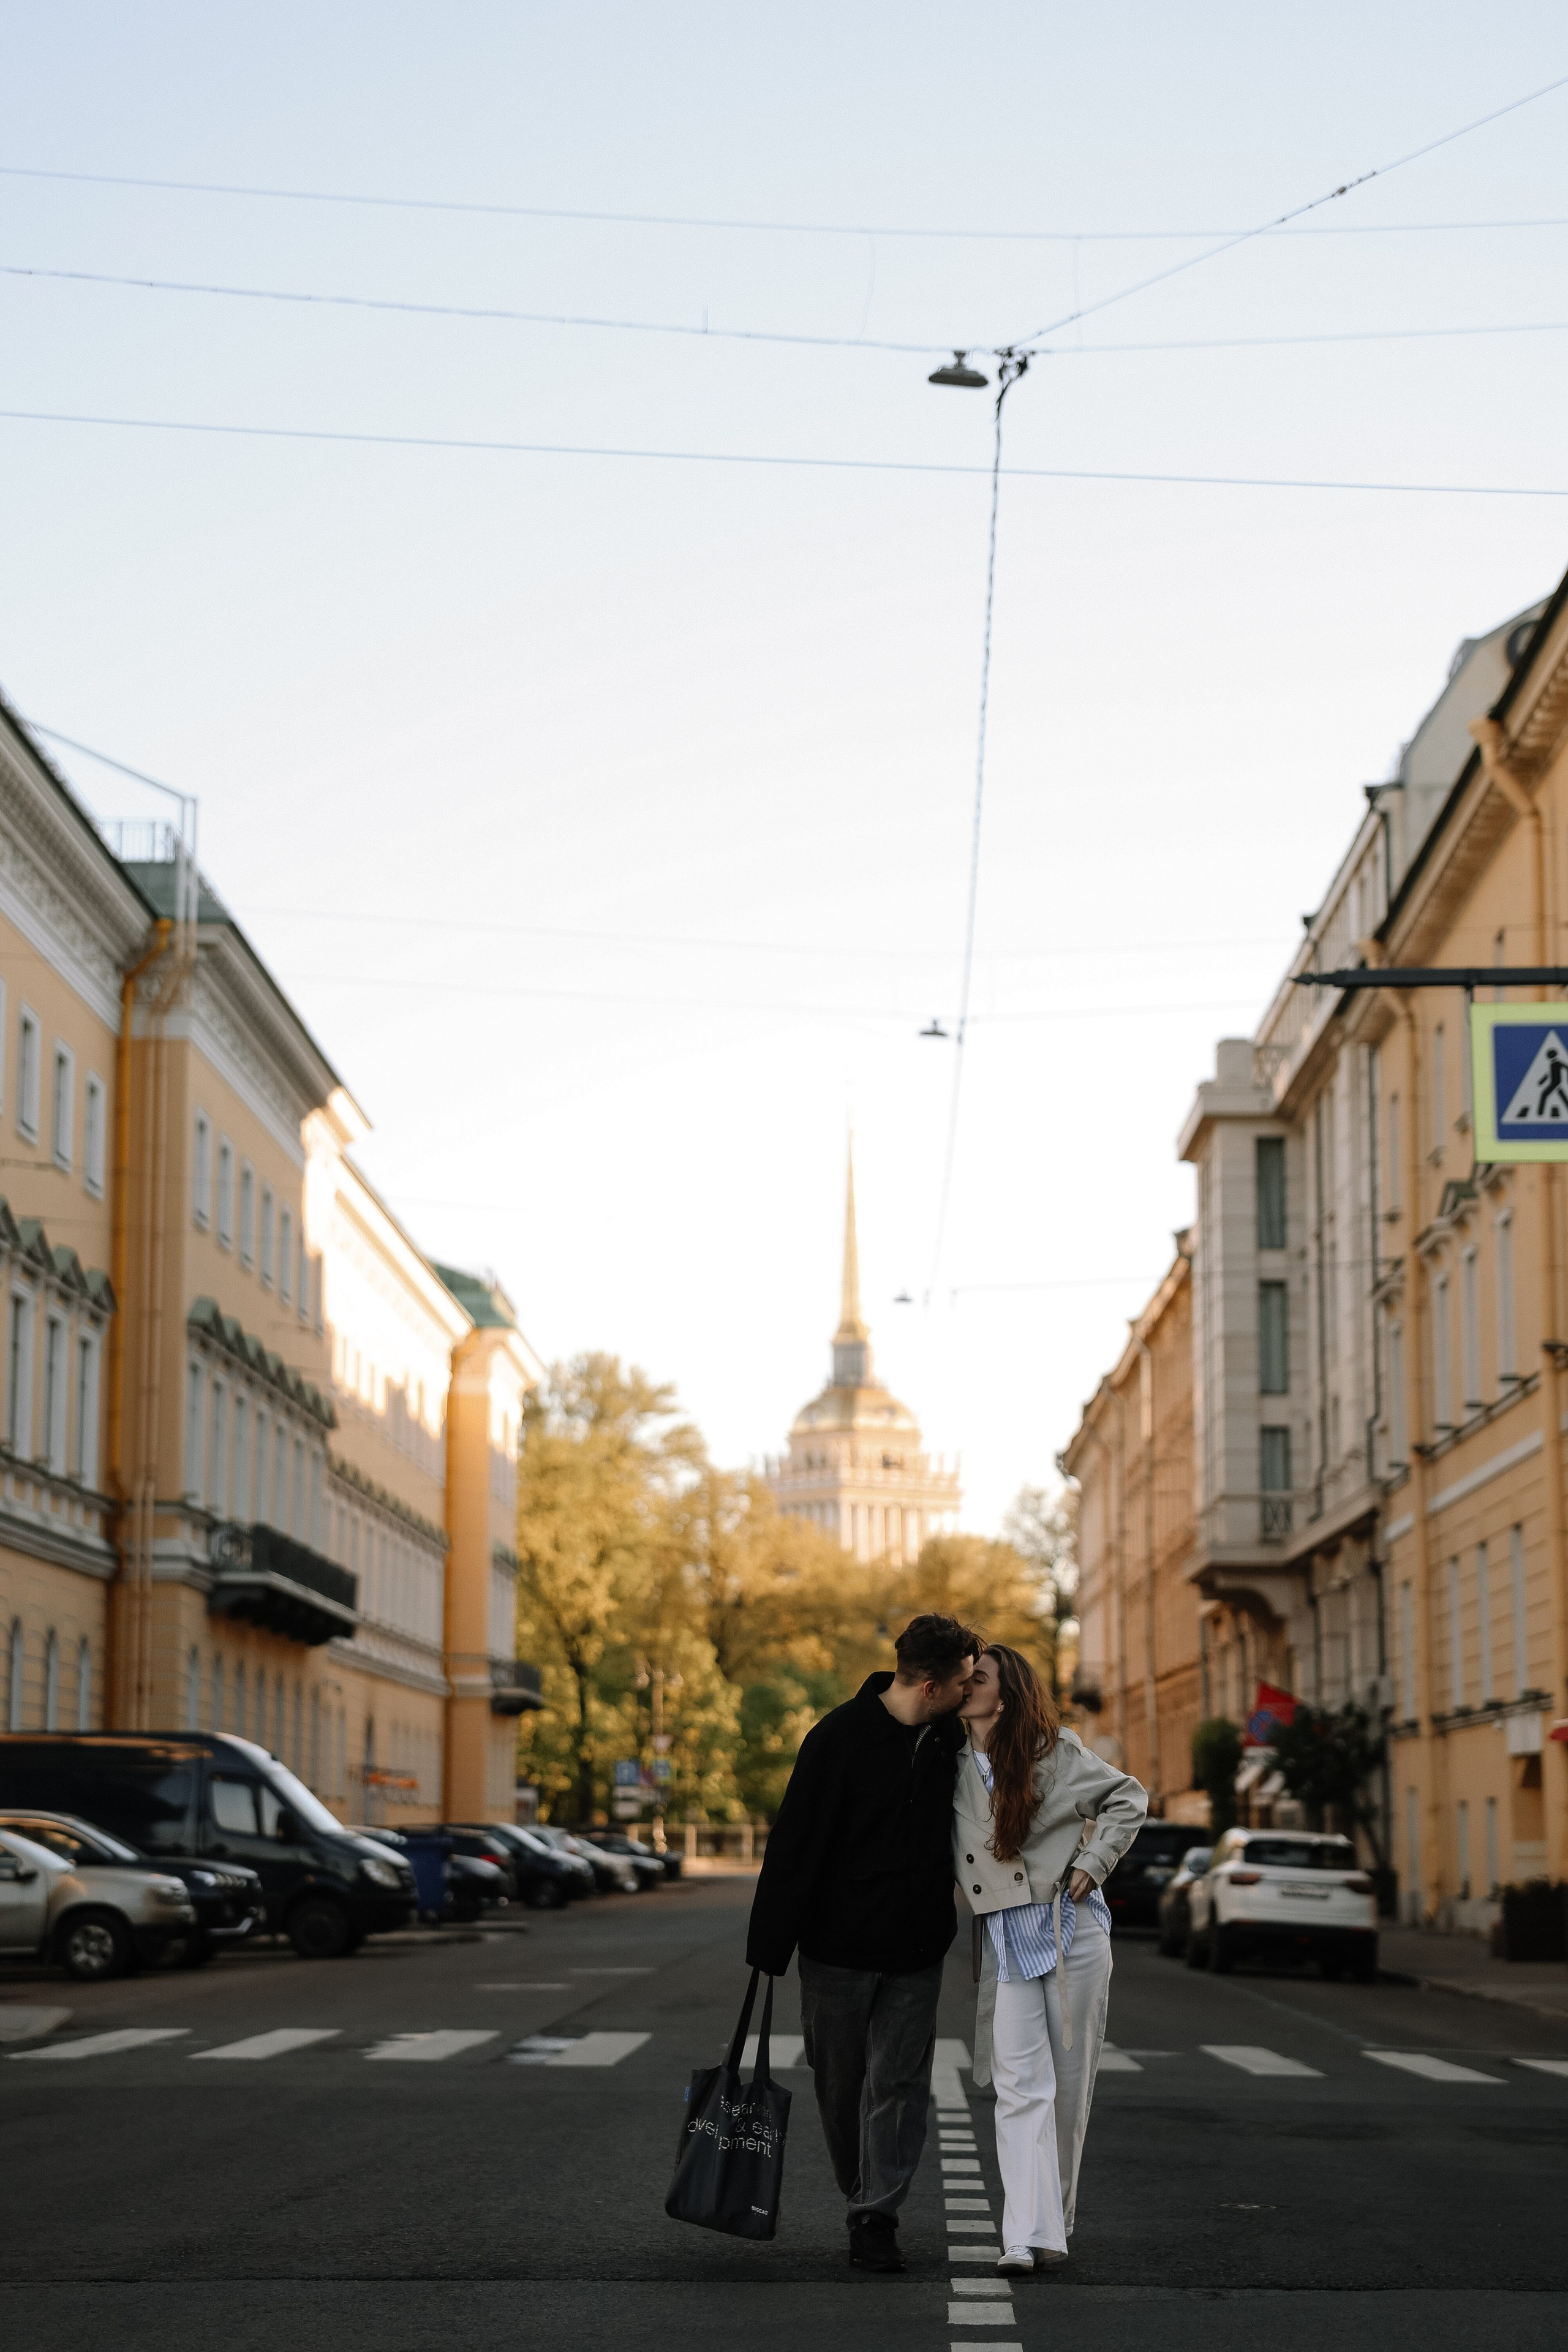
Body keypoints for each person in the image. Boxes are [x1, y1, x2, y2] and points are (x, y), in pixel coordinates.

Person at [746, 1611, 980, 2274]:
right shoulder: (838, 1738)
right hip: (835, 1951)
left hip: (915, 1951)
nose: (971, 1691)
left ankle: (875, 2215)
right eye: (964, 1681)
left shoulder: (951, 1745)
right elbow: (795, 1842)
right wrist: (770, 1946)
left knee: (899, 2085)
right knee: (838, 2084)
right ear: (931, 1684)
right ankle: (860, 2189)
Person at [953, 1643, 1146, 2274]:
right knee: (1016, 2089)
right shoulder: (946, 1763)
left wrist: (1095, 1861)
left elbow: (1129, 1797)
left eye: (976, 1678)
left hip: (1071, 1933)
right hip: (1007, 1940)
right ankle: (1020, 2235)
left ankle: (1051, 2224)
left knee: (1066, 2087)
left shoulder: (1052, 1752)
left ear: (1002, 1695)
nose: (965, 1686)